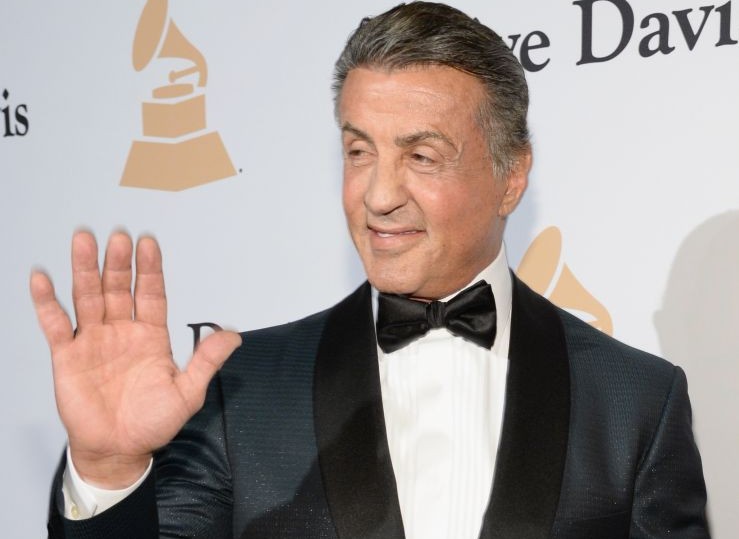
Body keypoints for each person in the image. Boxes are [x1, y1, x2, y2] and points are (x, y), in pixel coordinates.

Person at [33, 3, 709, 538]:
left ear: (511, 176)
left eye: (421, 156)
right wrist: (109, 470)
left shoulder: (634, 403)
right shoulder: (242, 389)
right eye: (359, 152)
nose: (378, 195)